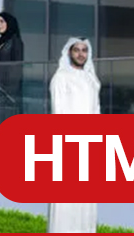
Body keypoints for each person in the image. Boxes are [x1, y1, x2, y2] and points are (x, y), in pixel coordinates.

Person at [47, 37, 100, 233]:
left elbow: (96, 112)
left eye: (84, 50)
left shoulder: (92, 80)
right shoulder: (60, 78)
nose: (80, 54)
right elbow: (58, 112)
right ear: (69, 52)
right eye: (76, 50)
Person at [0, 11, 24, 151]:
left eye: (1, 21)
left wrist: (9, 89)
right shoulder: (0, 42)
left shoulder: (16, 42)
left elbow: (17, 67)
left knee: (7, 117)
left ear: (9, 23)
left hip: (8, 89)